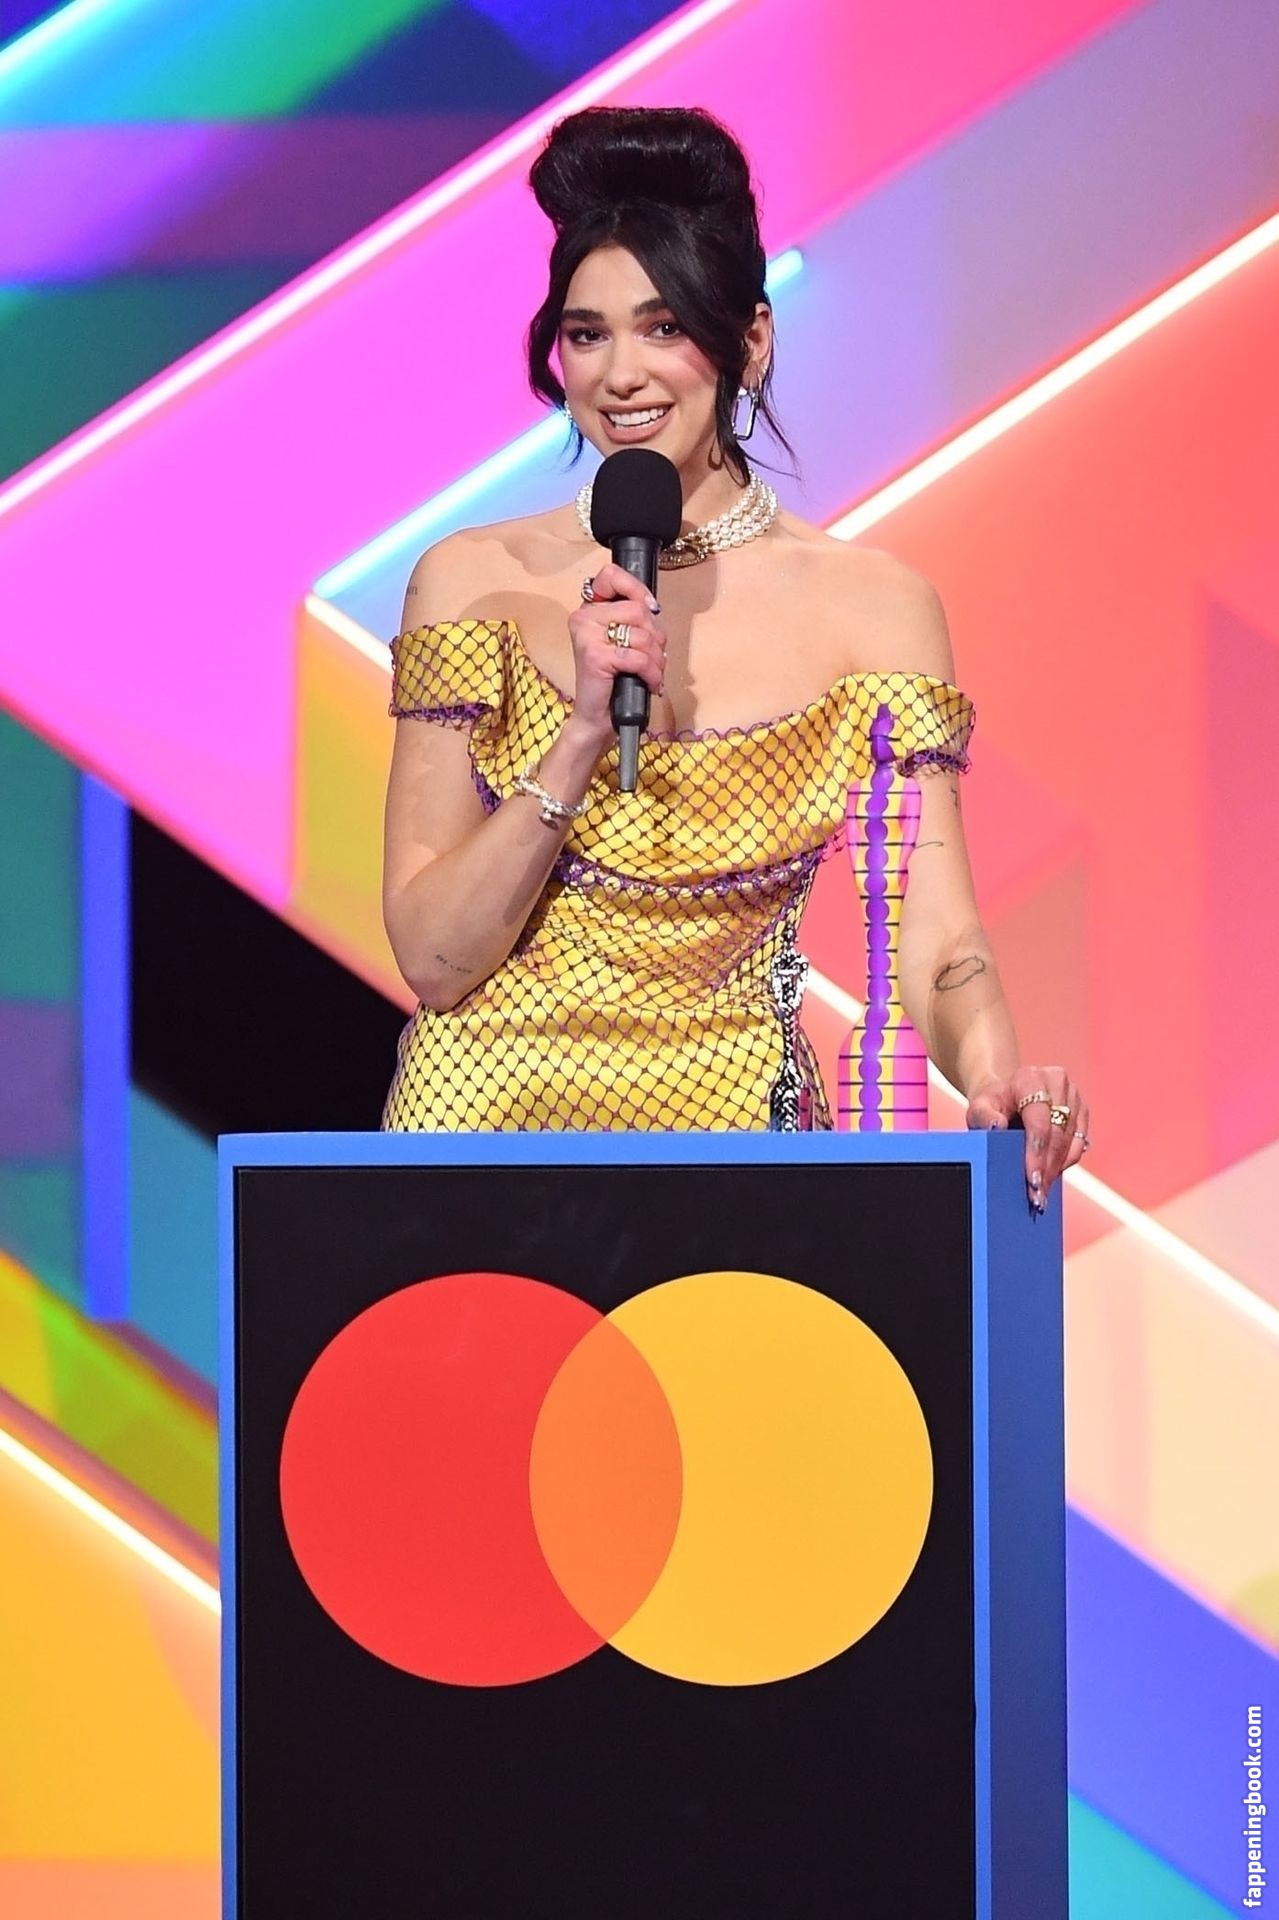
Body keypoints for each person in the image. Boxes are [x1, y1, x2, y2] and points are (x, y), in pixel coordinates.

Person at [380, 104, 1090, 1210]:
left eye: (663, 327)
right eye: (586, 334)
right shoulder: (471, 581)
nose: (620, 373)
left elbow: (935, 933)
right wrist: (578, 738)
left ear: (749, 341)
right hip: (483, 1142)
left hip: (740, 1153)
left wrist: (997, 1074)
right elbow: (433, 959)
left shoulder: (872, 608)